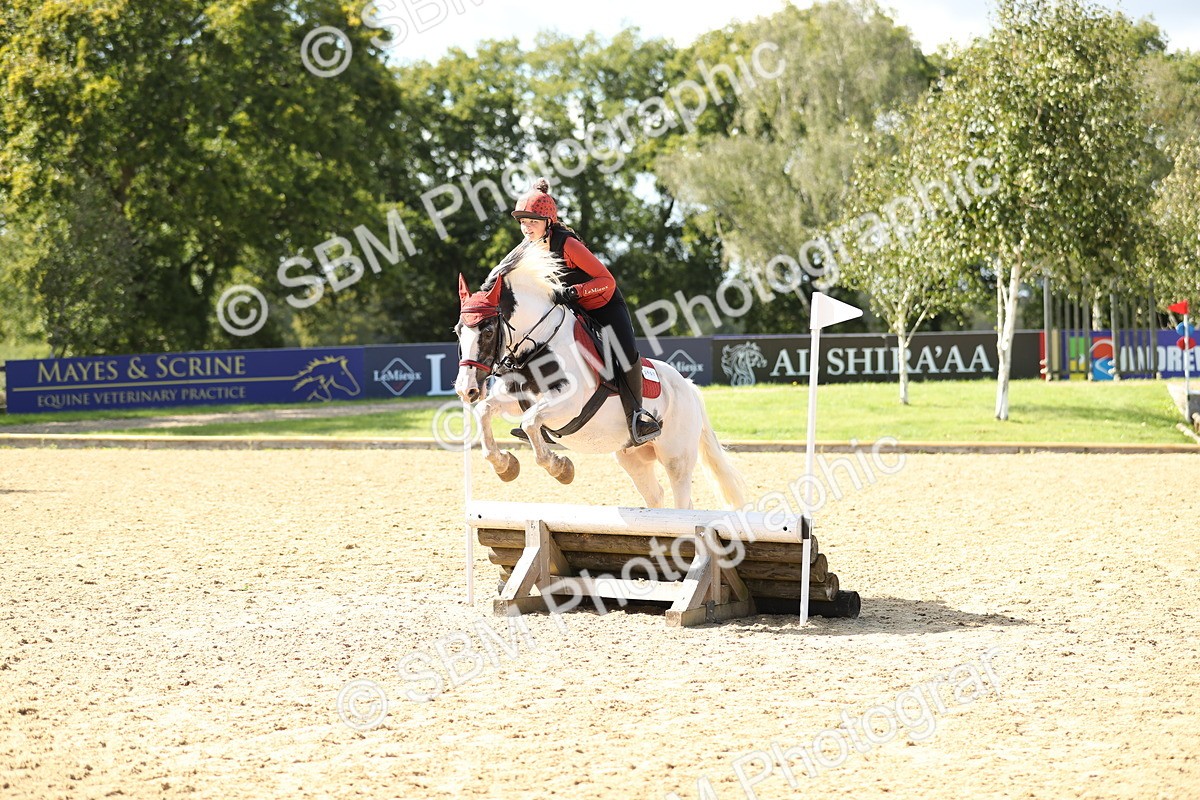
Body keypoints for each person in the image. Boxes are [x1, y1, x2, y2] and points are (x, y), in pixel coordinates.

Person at [510, 177, 661, 445]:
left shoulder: (568, 244)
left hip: (604, 306)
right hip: (572, 310)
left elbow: (606, 281)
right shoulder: (527, 248)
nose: (526, 228)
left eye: (532, 221)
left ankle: (638, 416)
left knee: (624, 354)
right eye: (522, 222)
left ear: (548, 222)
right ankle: (537, 415)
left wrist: (575, 292)